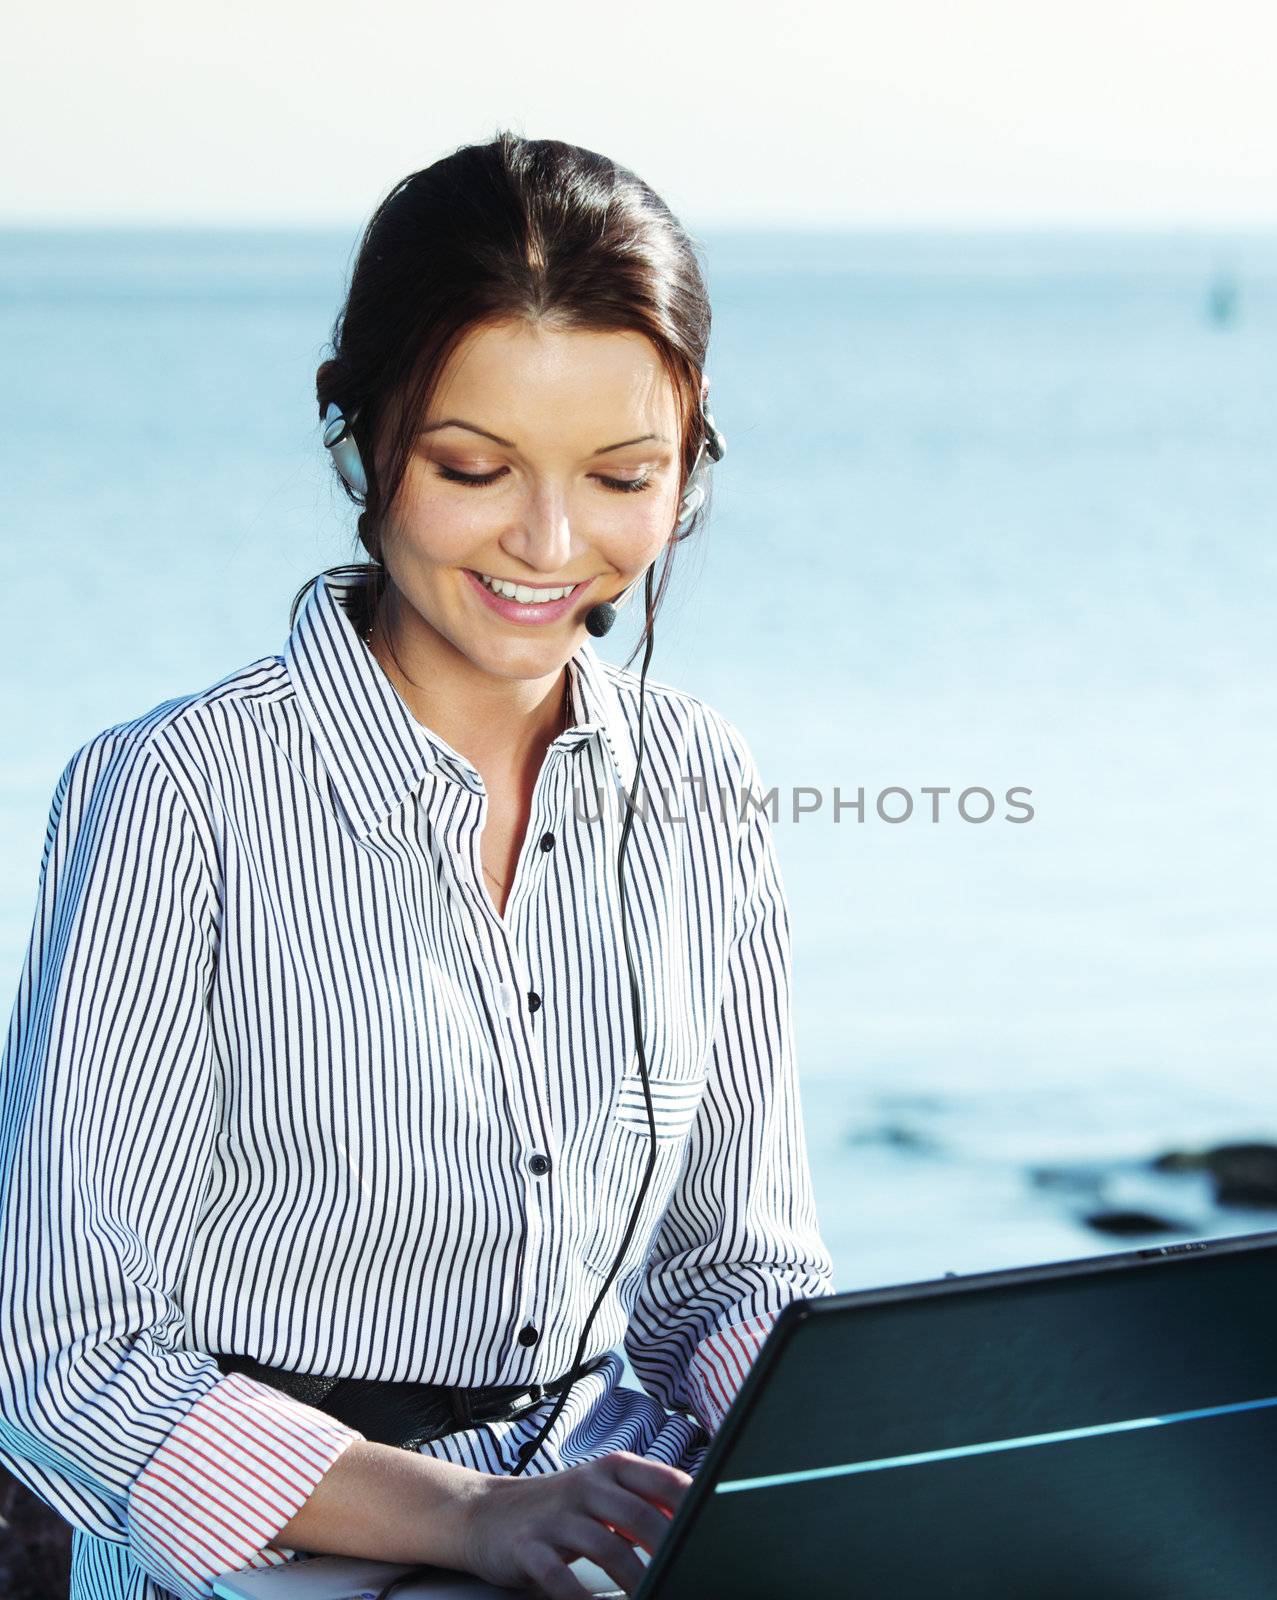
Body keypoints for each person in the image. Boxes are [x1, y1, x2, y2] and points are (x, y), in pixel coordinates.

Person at [0, 132, 835, 1600]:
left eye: (624, 475)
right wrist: (464, 1516)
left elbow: (726, 1275)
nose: (551, 543)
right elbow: (58, 1361)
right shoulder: (177, 797)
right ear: (355, 442)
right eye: (472, 467)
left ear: (690, 467)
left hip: (596, 1532)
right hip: (265, 1566)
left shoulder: (704, 783)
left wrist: (865, 1439)